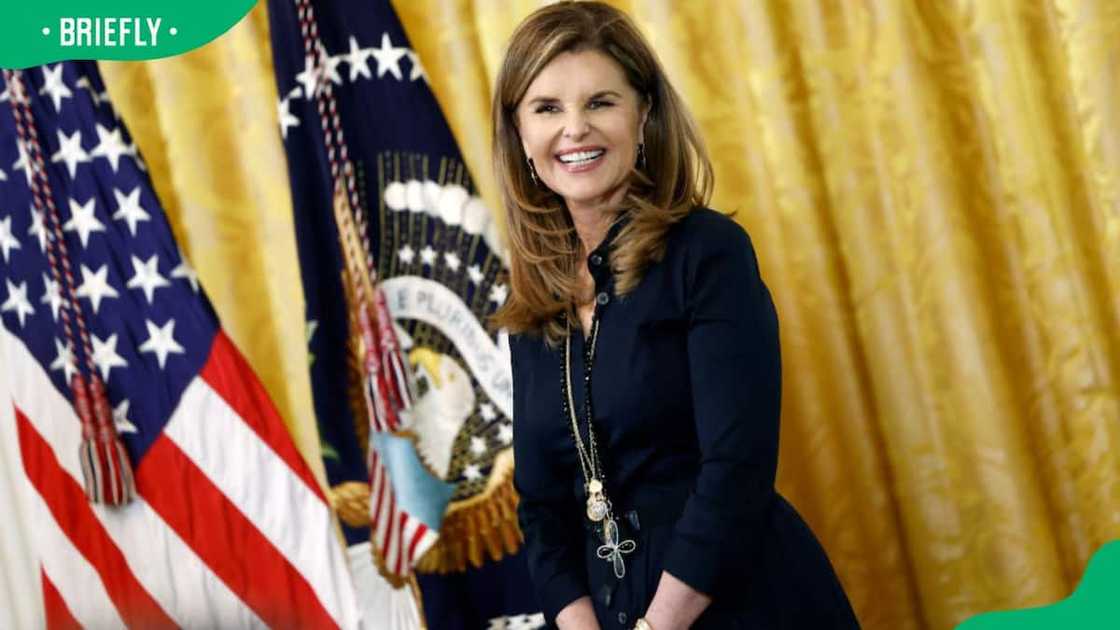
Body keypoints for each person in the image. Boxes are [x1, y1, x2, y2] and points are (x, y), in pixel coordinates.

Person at [491, 2, 859, 628]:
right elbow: (542, 509)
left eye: (600, 102)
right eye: (547, 108)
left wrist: (658, 627)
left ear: (645, 116)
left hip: (743, 603)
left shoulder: (707, 253)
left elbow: (736, 470)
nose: (574, 129)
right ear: (521, 136)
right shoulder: (532, 304)